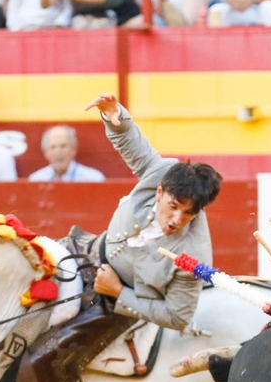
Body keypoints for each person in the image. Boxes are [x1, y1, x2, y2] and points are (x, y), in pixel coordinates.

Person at [83, 91, 223, 332]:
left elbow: (177, 317)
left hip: (122, 305)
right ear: (160, 192)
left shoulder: (194, 257)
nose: (176, 220)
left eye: (188, 214)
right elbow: (133, 146)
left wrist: (118, 291)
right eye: (173, 207)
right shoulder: (162, 172)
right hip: (90, 250)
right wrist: (115, 116)